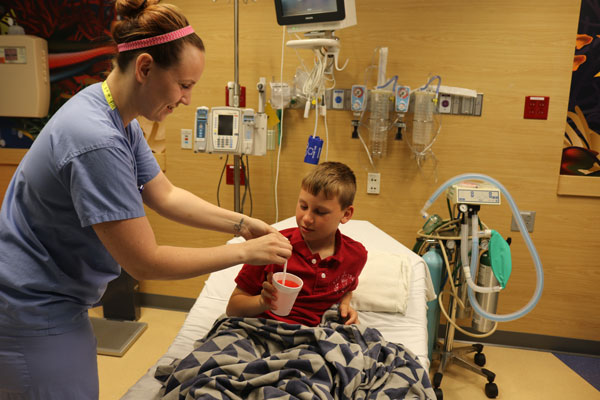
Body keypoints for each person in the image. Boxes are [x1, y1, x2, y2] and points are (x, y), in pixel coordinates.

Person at [0, 1, 292, 398]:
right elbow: (144, 261)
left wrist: (242, 225)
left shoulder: (113, 113)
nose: (188, 99)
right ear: (144, 68)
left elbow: (166, 195)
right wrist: (245, 252)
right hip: (29, 308)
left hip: (54, 299)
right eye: (184, 85)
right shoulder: (95, 140)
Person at [226, 161, 367, 327]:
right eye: (303, 206)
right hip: (263, 329)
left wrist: (344, 305)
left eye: (320, 212)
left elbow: (347, 287)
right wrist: (262, 302)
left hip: (314, 338)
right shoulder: (271, 247)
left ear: (346, 214)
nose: (306, 218)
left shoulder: (355, 256)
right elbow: (233, 308)